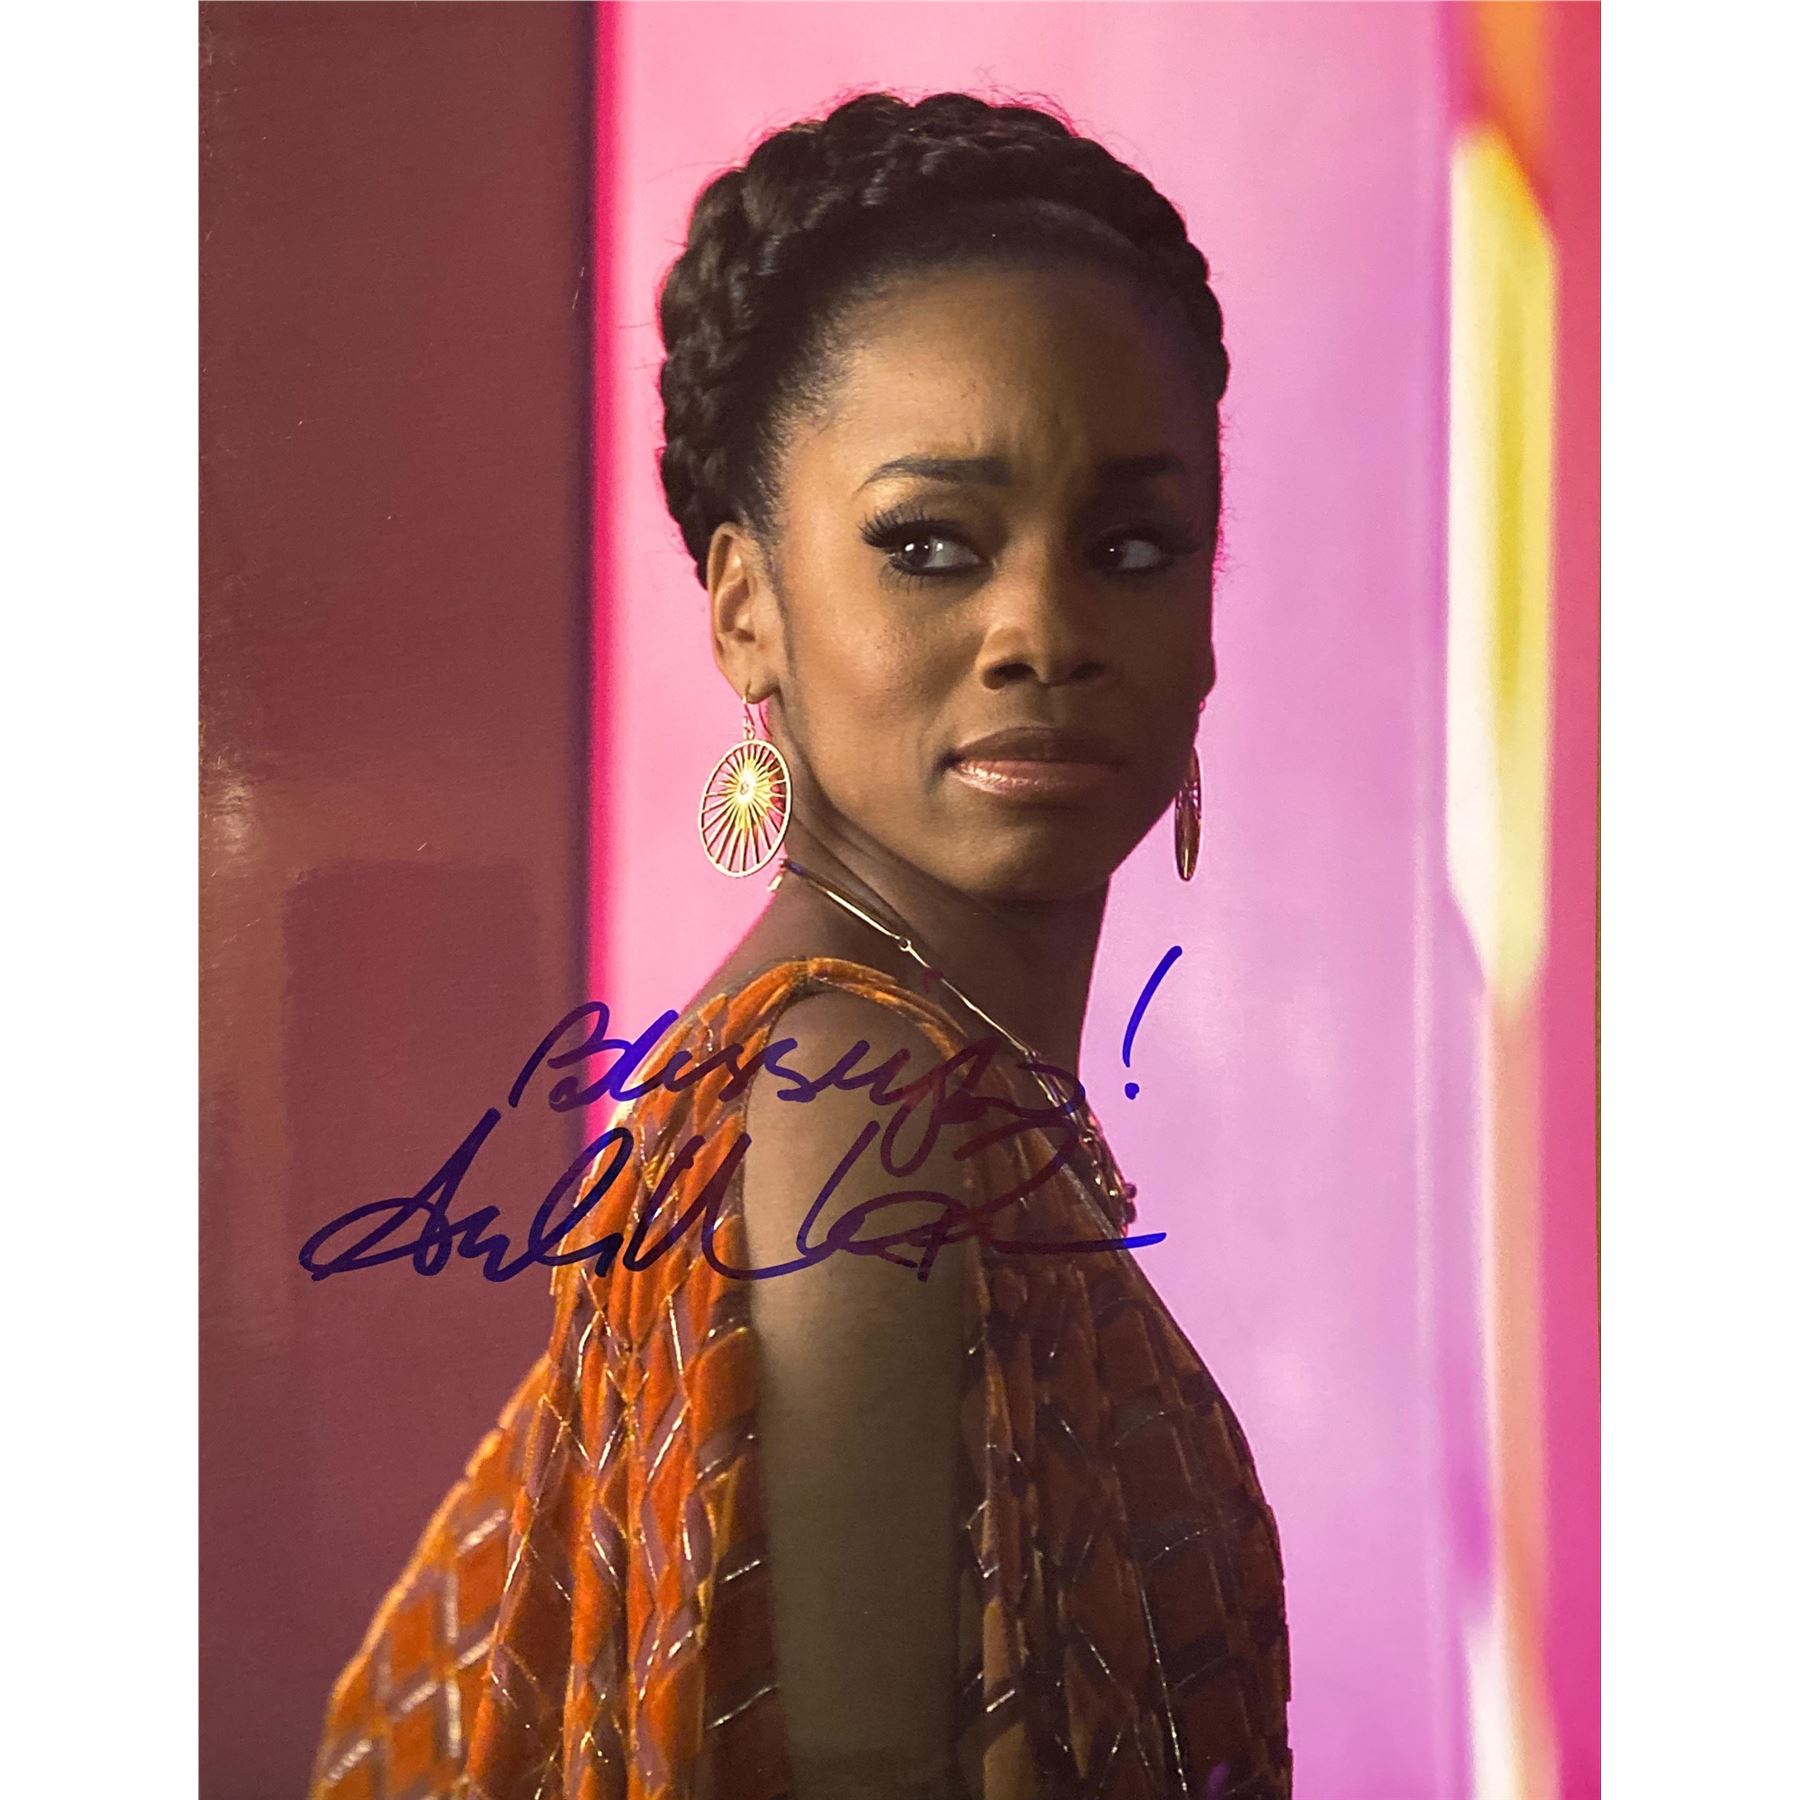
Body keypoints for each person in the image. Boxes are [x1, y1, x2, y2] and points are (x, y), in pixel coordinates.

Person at [306, 88, 1290, 1800]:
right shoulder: (858, 1104)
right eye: (930, 547)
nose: (1042, 628)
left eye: (1131, 546)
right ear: (745, 606)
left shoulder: (886, 1077)